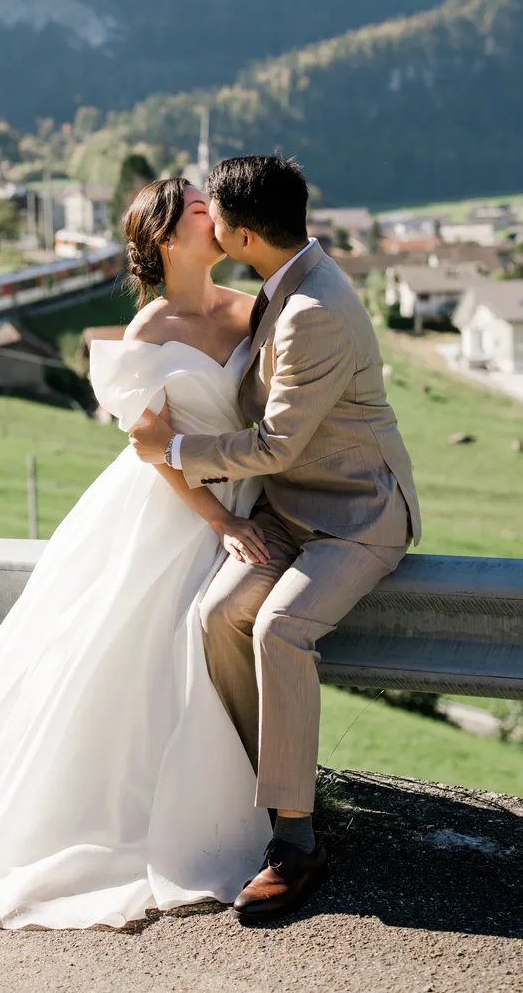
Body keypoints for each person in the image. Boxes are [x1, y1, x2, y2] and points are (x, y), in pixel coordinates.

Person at [0, 178, 275, 929]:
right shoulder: (149, 335)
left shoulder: (253, 308)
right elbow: (154, 452)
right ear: (162, 239)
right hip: (176, 509)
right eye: (194, 211)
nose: (212, 217)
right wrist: (218, 519)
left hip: (248, 500)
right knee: (140, 649)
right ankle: (144, 818)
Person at [129, 154, 420, 924]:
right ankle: (258, 783)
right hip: (291, 512)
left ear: (245, 233)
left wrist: (176, 453)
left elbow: (278, 445)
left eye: (214, 214)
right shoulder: (284, 282)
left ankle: (296, 838)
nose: (208, 223)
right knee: (218, 614)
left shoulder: (311, 309)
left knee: (280, 627)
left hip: (359, 514)